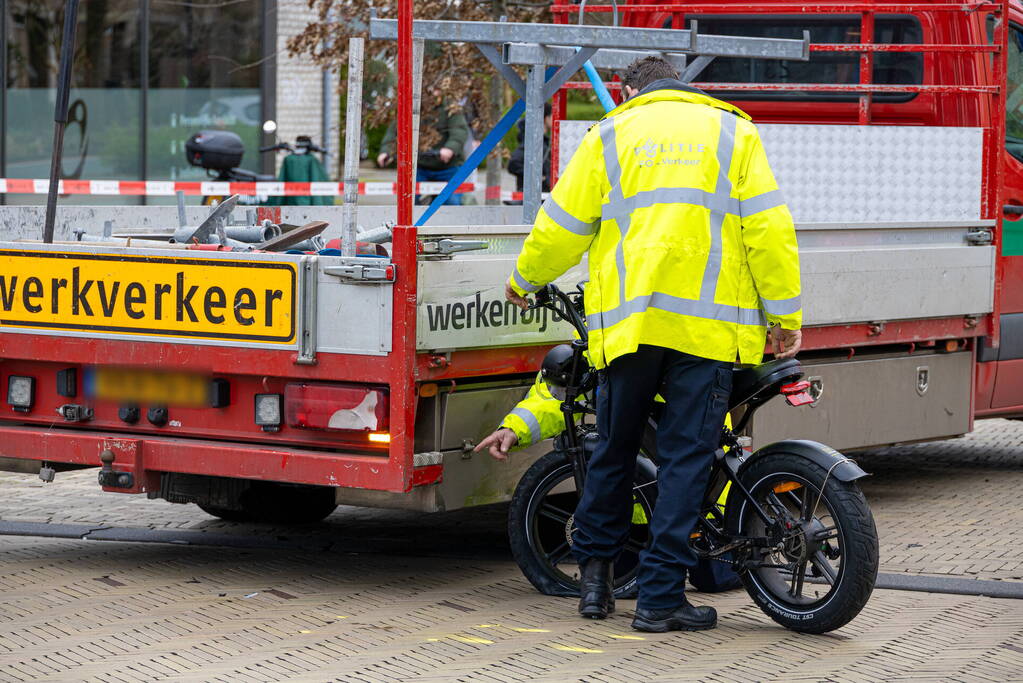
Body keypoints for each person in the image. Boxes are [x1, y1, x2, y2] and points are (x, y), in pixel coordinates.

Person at [503, 56, 802, 633]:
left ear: (628, 89)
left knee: (612, 450)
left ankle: (595, 583)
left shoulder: (610, 134)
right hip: (705, 330)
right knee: (687, 460)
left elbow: (562, 223)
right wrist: (783, 314)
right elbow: (768, 228)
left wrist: (524, 280)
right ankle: (660, 597)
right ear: (684, 86)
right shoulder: (732, 131)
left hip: (630, 330)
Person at [377, 92, 469, 205]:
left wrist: (450, 148)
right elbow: (394, 132)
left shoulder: (451, 107)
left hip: (448, 167)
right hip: (418, 167)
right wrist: (385, 151)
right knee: (408, 201)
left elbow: (459, 131)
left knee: (451, 202)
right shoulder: (410, 107)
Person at [507, 103, 553, 203]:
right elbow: (513, 163)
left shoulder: (542, 141)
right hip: (532, 199)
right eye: (552, 115)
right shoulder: (532, 142)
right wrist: (535, 175)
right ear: (546, 118)